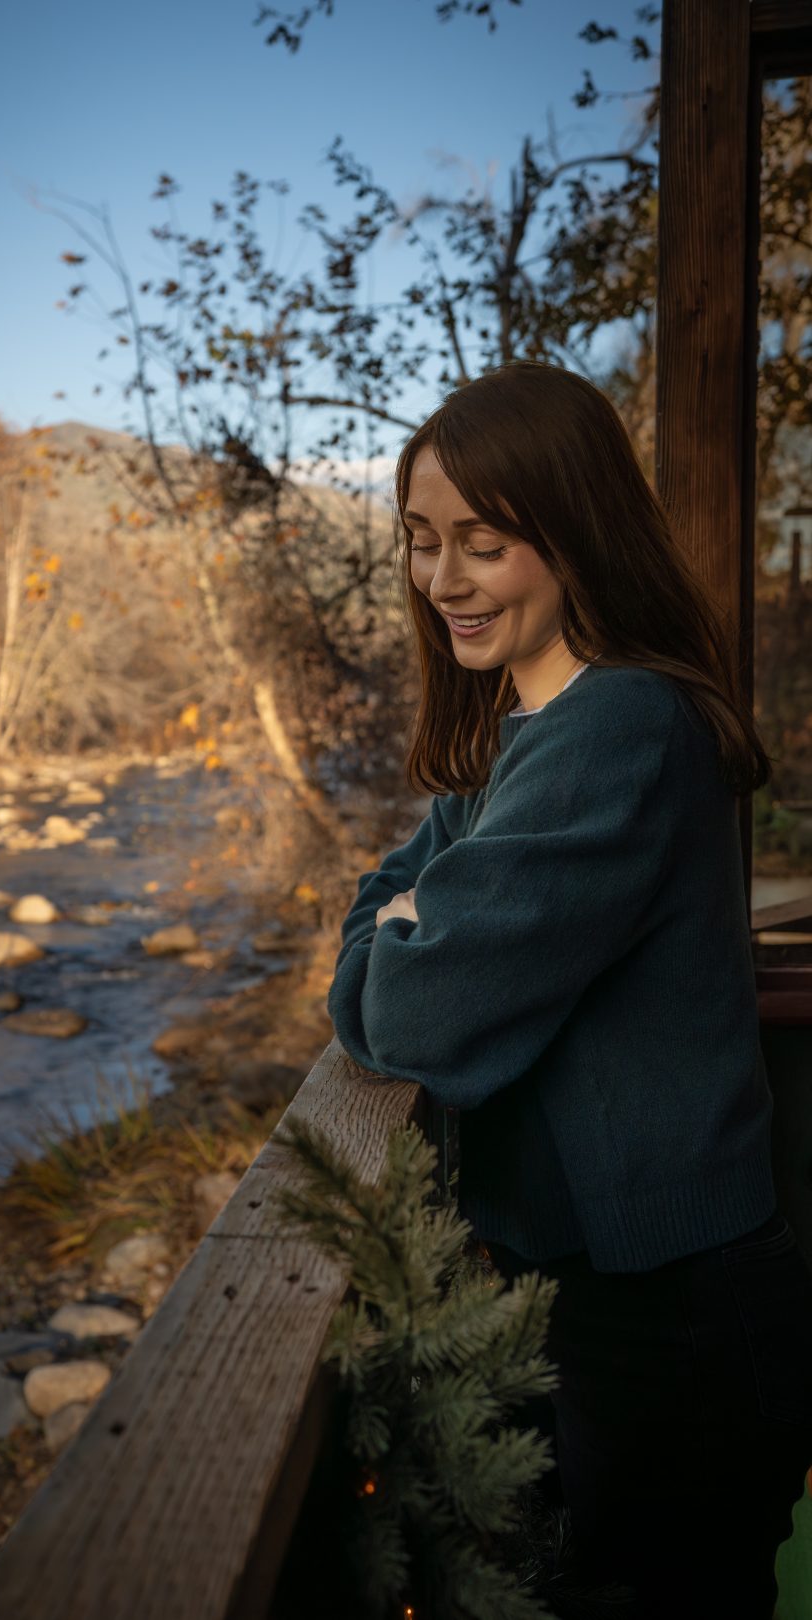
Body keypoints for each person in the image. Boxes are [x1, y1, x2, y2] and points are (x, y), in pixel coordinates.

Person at [325, 360, 812, 1618]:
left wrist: (405, 933)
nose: (442, 581)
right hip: (598, 1291)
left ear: (574, 530)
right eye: (424, 543)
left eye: (482, 543)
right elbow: (379, 908)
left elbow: (417, 1015)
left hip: (676, 1311)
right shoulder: (520, 739)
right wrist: (401, 921)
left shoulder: (621, 726)